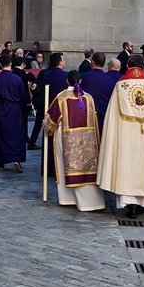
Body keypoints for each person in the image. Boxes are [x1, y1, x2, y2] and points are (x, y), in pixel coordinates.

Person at [98, 55, 144, 217]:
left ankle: (129, 203)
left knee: (127, 167)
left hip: (126, 137)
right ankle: (142, 203)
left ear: (127, 66)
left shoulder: (121, 86)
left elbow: (112, 118)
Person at [44, 72, 106, 211]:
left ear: (67, 81)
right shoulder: (89, 98)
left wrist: (46, 126)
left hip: (67, 139)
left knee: (64, 165)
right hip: (88, 139)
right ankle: (92, 202)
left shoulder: (61, 97)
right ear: (81, 81)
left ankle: (68, 199)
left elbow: (50, 121)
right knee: (87, 167)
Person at [0, 60, 29, 171]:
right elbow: (22, 95)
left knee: (0, 133)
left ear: (1, 65)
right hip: (14, 108)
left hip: (0, 108)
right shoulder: (17, 79)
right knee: (16, 133)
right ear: (11, 64)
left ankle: (1, 161)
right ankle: (17, 159)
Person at [80, 52, 116, 137]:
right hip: (103, 117)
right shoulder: (109, 80)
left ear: (92, 62)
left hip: (87, 117)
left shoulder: (84, 78)